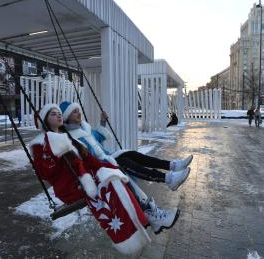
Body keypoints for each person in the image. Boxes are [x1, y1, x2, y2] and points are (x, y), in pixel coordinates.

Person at [29, 104, 179, 253]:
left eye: (58, 113)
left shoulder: (67, 137)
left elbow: (86, 158)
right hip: (70, 187)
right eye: (53, 114)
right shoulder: (40, 143)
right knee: (110, 180)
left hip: (83, 179)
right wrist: (52, 150)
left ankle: (147, 215)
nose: (58, 115)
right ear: (44, 121)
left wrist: (110, 166)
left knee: (115, 175)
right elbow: (45, 173)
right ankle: (147, 216)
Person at [59, 101, 192, 191]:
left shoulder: (85, 129)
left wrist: (102, 121)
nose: (79, 113)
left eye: (78, 110)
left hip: (108, 157)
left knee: (133, 154)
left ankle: (172, 166)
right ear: (67, 117)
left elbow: (98, 136)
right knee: (125, 162)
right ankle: (168, 179)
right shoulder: (71, 138)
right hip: (99, 166)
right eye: (74, 112)